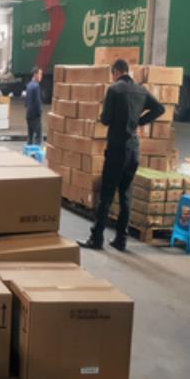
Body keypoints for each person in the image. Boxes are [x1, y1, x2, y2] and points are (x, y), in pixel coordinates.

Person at [79, 59, 165, 251]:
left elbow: (106, 119)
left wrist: (103, 115)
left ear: (116, 72)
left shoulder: (114, 90)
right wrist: (139, 122)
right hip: (133, 149)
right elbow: (160, 109)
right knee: (125, 195)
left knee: (106, 195)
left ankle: (97, 239)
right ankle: (121, 239)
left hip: (117, 148)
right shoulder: (141, 90)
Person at [25, 67, 44, 145]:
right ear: (35, 75)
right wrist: (39, 112)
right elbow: (37, 102)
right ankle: (36, 151)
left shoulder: (29, 85)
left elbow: (26, 101)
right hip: (35, 116)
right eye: (40, 74)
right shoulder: (36, 86)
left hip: (28, 114)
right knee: (38, 137)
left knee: (30, 137)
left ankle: (28, 151)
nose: (41, 76)